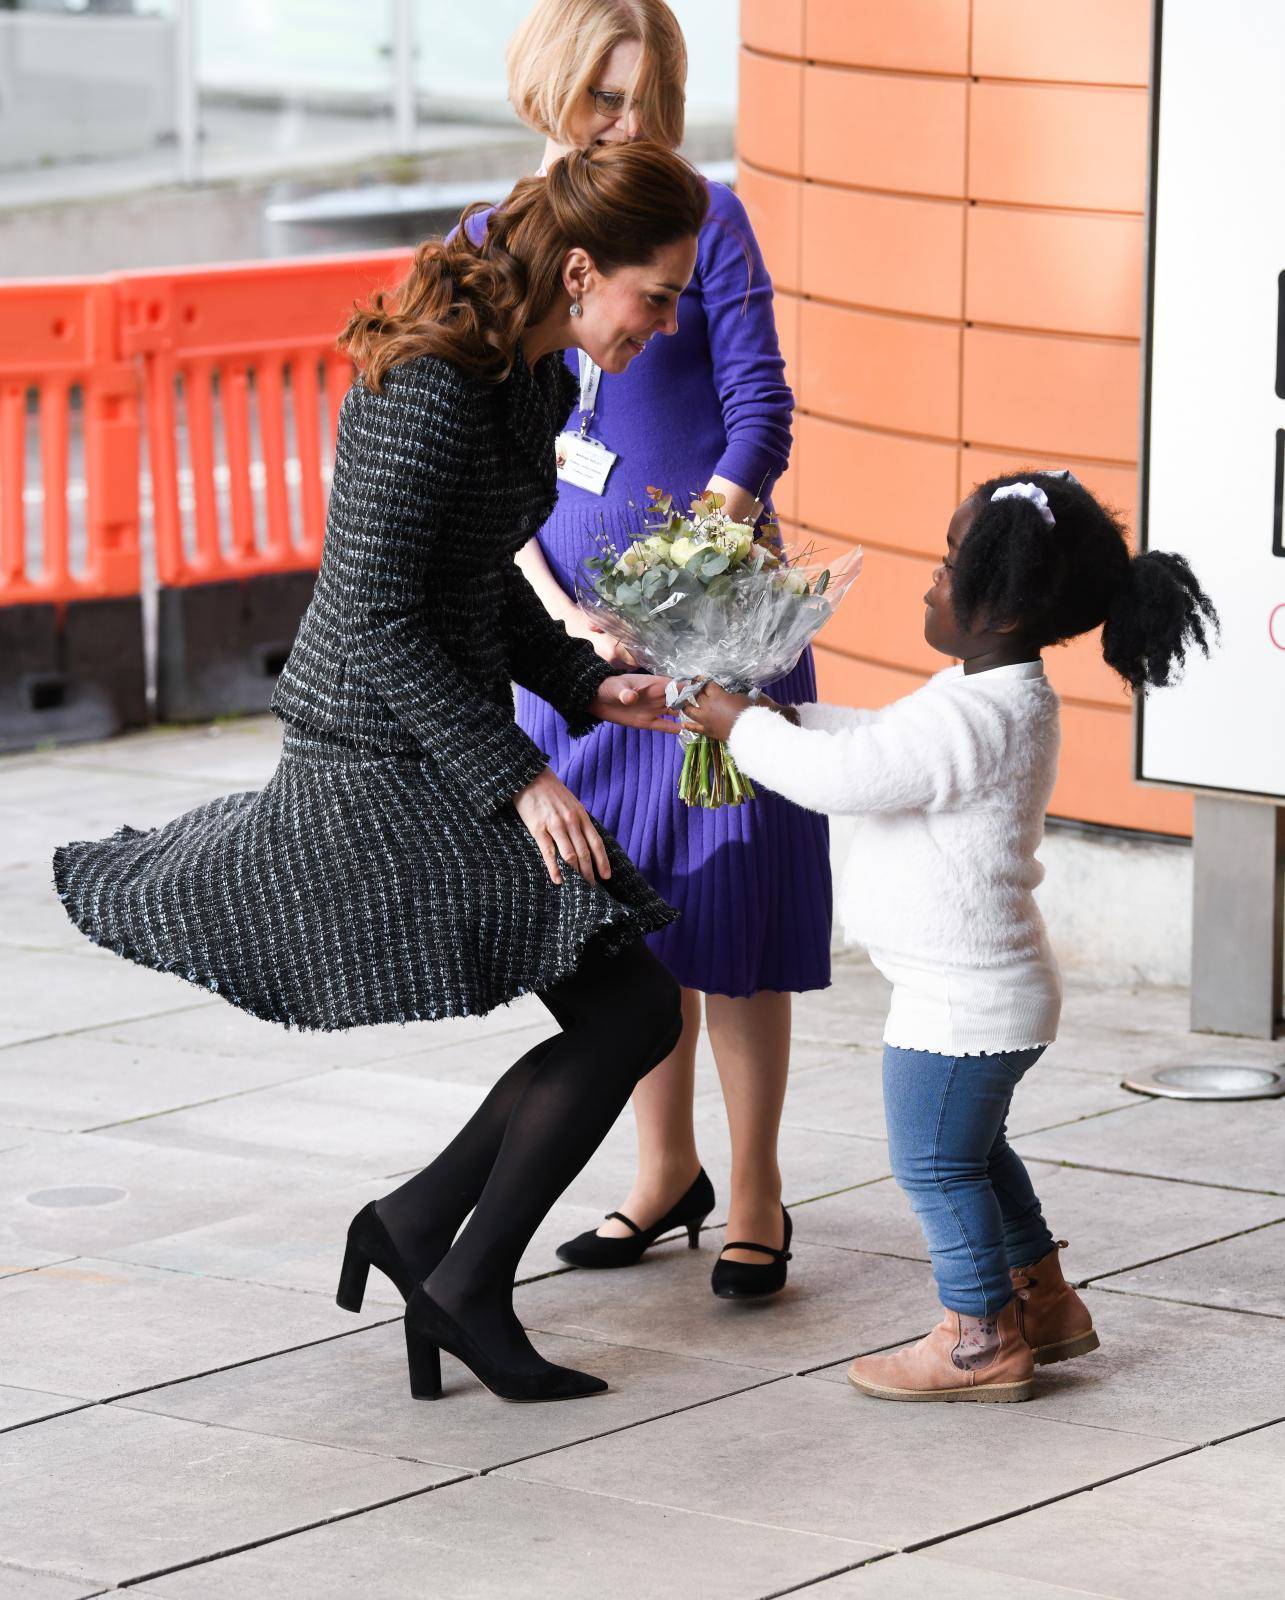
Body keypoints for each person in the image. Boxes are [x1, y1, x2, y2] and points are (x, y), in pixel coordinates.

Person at [53, 142, 711, 1405]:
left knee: (627, 1005)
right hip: (373, 756)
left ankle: (427, 1239)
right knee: (630, 1006)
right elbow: (378, 615)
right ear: (580, 270)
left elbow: (469, 592)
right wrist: (520, 773)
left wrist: (587, 683)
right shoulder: (431, 388)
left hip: (436, 739)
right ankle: (447, 1266)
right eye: (657, 294)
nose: (666, 321)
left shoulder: (530, 375)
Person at [680, 471, 1217, 1401]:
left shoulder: (979, 715)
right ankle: (1042, 1304)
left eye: (944, 564)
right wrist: (782, 719)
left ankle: (977, 1340)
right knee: (973, 1153)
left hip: (958, 1002)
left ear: (995, 602)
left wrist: (740, 729)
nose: (928, 582)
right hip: (985, 992)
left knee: (932, 1164)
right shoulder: (989, 696)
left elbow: (849, 780)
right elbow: (881, 744)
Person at [500, 0, 829, 1299]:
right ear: (548, 90)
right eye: (602, 97)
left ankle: (755, 1191)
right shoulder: (499, 239)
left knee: (733, 918)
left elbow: (760, 414)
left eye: (649, 96)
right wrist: (561, 612)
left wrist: (690, 570)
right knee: (622, 930)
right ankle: (661, 1172)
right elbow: (491, 472)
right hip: (567, 662)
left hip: (717, 630)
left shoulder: (713, 216)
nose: (627, 124)